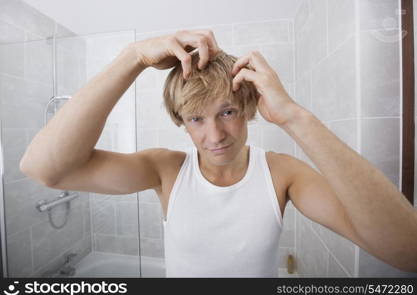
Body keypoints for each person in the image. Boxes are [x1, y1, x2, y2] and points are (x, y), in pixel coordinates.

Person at [20, 29, 417, 277]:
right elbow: (44, 169)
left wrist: (295, 117)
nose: (215, 136)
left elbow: (406, 250)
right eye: (195, 119)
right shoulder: (166, 170)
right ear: (182, 122)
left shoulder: (283, 175)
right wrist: (134, 57)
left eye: (227, 112)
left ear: (246, 107)